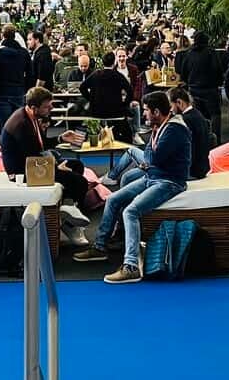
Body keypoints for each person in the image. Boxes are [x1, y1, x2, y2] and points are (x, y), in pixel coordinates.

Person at [74, 92, 192, 284]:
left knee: (131, 211)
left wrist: (149, 158)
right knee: (112, 199)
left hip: (169, 182)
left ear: (156, 111)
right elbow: (149, 154)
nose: (143, 114)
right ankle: (100, 247)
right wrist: (149, 157)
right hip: (154, 176)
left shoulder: (174, 130)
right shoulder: (160, 126)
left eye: (146, 110)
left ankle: (131, 267)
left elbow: (152, 158)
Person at [0, 87, 90, 244]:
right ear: (35, 108)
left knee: (77, 166)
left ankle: (67, 208)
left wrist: (61, 139)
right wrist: (54, 168)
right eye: (47, 106)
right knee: (80, 182)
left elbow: (39, 147)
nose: (51, 108)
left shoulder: (30, 117)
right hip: (22, 173)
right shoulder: (22, 125)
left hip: (31, 163)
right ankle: (70, 223)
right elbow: (33, 156)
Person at [0, 24, 33, 126]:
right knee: (19, 123)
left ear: (2, 35)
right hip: (18, 90)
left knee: (5, 123)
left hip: (2, 90)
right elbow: (30, 73)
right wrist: (26, 88)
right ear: (15, 35)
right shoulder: (24, 53)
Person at [171, 87, 211, 177]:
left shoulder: (185, 120)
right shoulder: (197, 114)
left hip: (192, 172)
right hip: (201, 167)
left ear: (179, 102)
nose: (171, 110)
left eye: (171, 106)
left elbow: (187, 152)